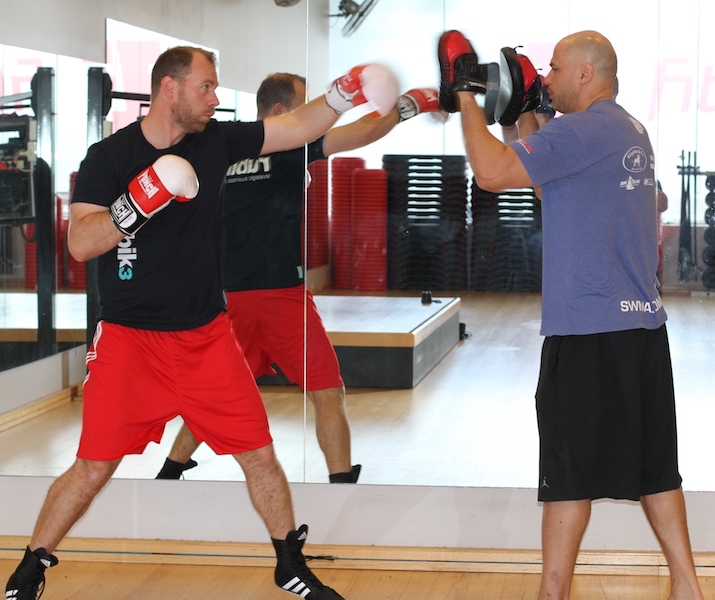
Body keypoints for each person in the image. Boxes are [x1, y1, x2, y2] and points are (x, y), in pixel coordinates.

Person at [4, 46, 400, 600]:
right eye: (207, 87)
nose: (216, 99)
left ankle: (289, 563)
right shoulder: (109, 157)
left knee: (259, 455)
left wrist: (343, 92)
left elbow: (293, 127)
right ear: (170, 88)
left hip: (206, 336)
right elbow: (80, 242)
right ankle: (29, 567)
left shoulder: (217, 141)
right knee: (93, 466)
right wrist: (141, 199)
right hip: (129, 341)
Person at [439, 30, 705, 600]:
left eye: (556, 69)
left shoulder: (583, 130)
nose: (549, 78)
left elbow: (491, 173)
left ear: (586, 74)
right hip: (641, 331)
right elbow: (550, 183)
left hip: (588, 332)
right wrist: (522, 115)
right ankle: (687, 585)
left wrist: (465, 95)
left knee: (565, 474)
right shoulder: (624, 127)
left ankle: (552, 593)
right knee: (656, 468)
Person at [155, 73, 442, 484]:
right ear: (280, 112)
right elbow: (363, 132)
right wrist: (409, 104)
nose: (315, 117)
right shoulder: (290, 146)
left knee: (216, 397)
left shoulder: (216, 150)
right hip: (279, 298)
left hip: (226, 298)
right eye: (306, 107)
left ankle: (170, 472)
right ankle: (342, 484)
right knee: (327, 392)